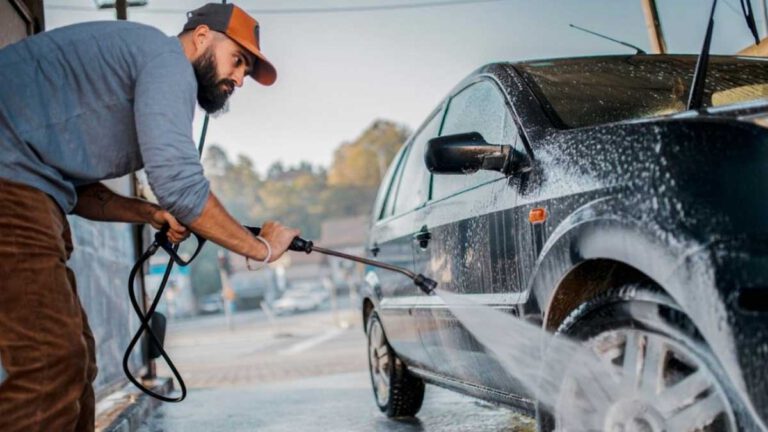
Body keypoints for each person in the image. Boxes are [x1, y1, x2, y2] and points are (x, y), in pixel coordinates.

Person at [0, 3, 299, 431]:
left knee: (74, 360)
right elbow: (179, 183)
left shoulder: (148, 65)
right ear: (201, 38)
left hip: (26, 186)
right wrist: (262, 247)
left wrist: (150, 214)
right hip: (10, 185)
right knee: (50, 364)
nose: (238, 78)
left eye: (246, 72)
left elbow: (78, 192)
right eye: (237, 60)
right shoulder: (167, 61)